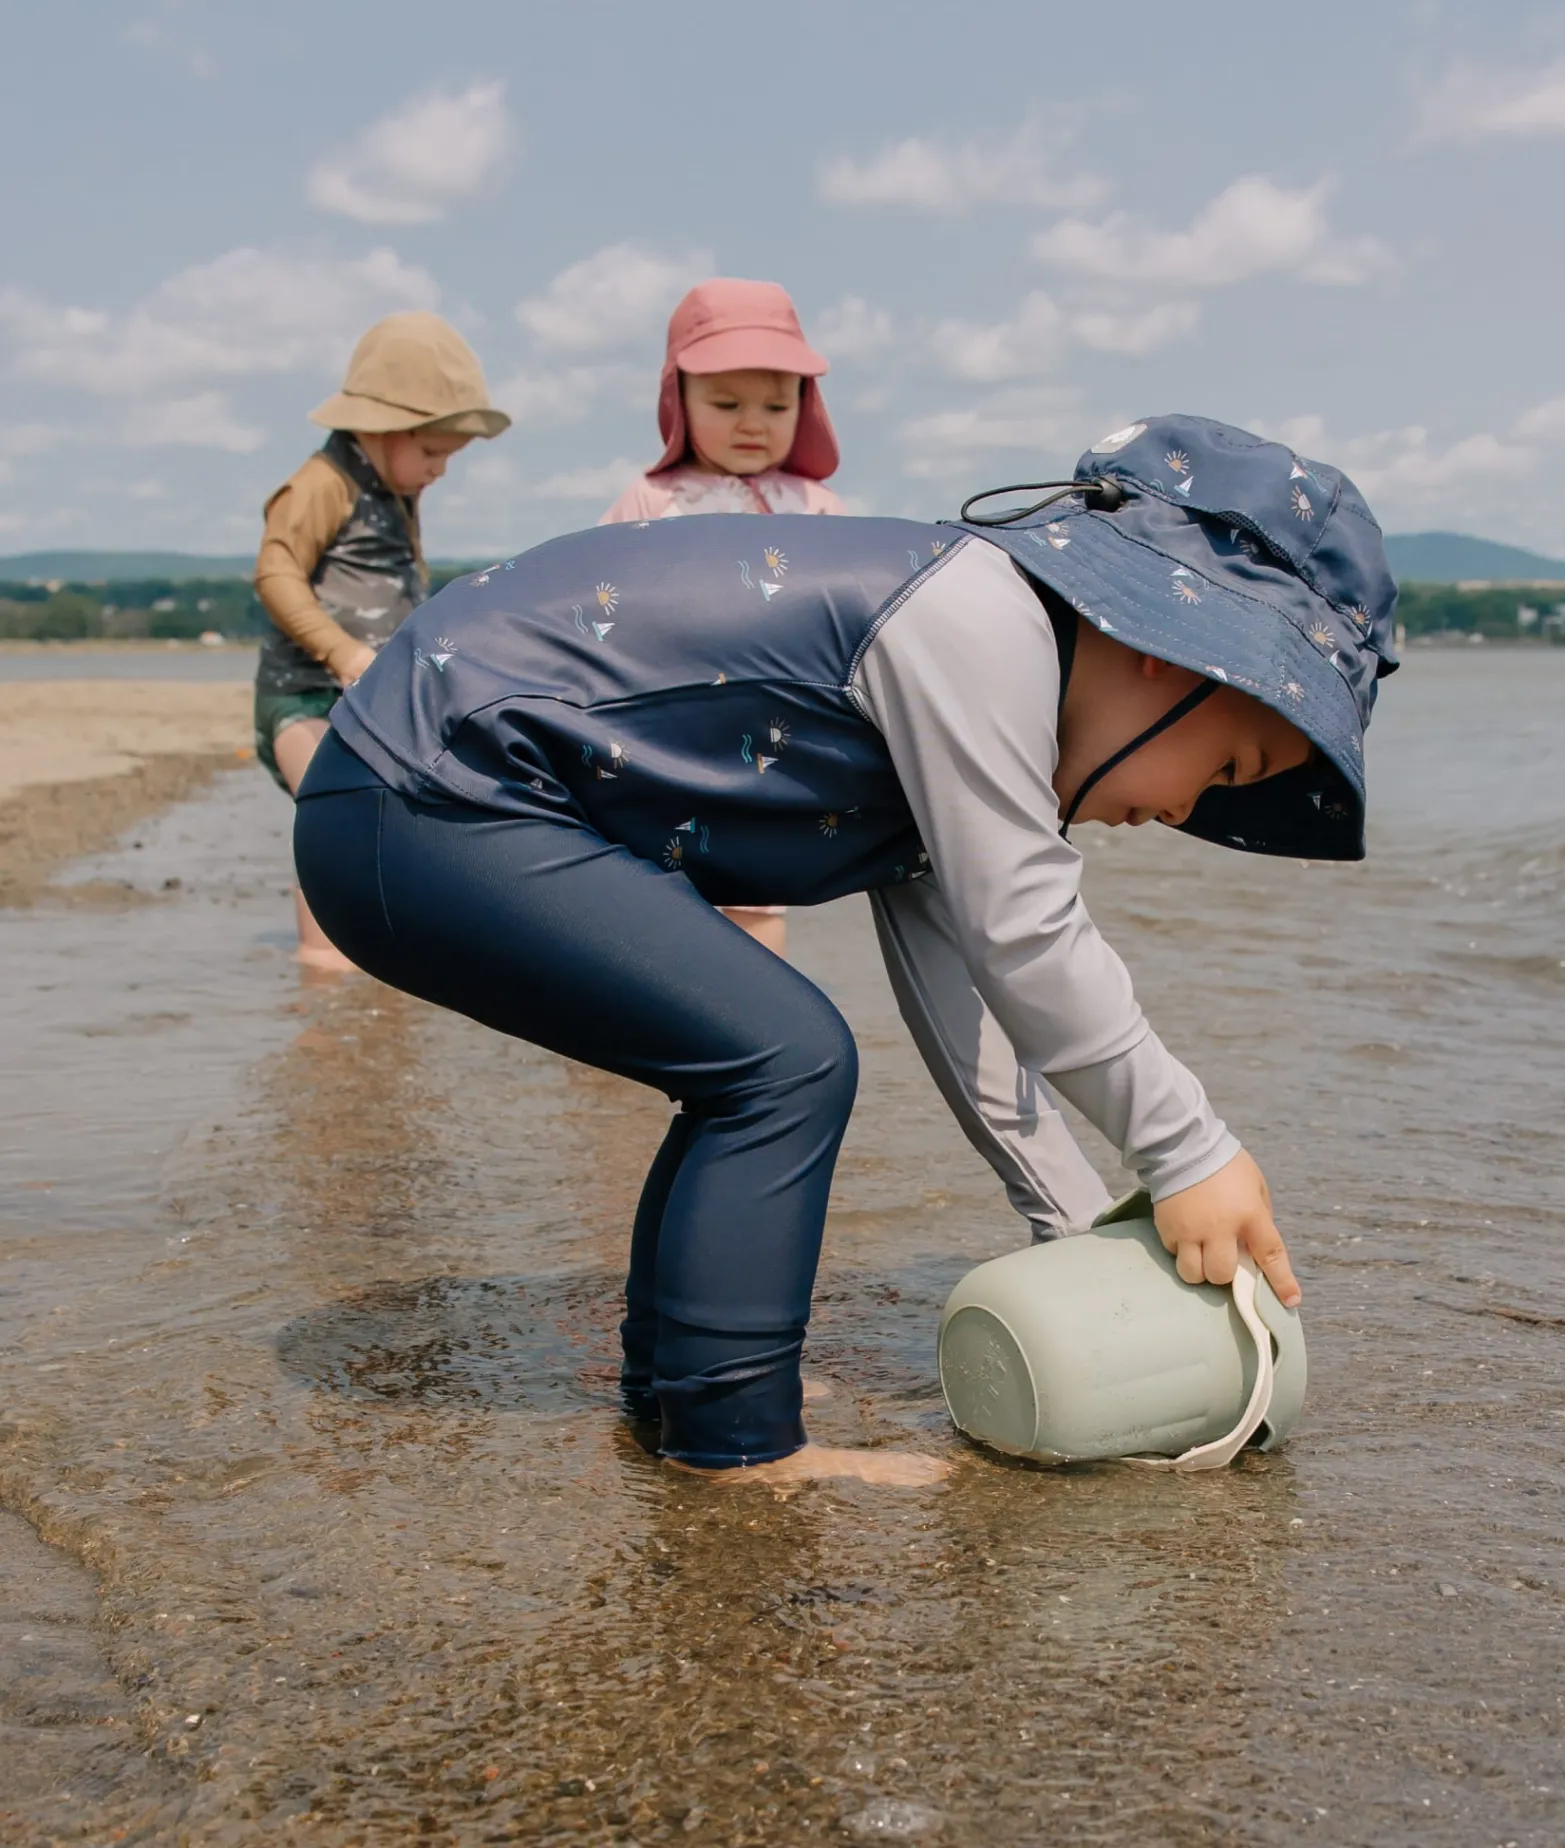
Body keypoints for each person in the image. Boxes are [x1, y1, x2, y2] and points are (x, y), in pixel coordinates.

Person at [292, 415, 1398, 1486]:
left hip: (418, 794)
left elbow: (970, 996)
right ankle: (735, 1442)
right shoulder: (981, 625)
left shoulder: (974, 685)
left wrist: (1073, 1227)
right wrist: (1190, 1152)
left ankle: (687, 1390)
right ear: (1171, 653)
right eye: (1230, 768)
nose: (1189, 811)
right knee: (784, 1059)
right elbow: (1029, 935)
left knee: (753, 1056)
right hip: (431, 789)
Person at [253, 311, 509, 970]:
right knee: (330, 813)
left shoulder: (393, 488)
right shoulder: (323, 483)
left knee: (395, 822)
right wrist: (341, 653)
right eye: (433, 453)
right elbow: (275, 572)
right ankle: (321, 965)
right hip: (304, 695)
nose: (440, 471)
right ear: (381, 429)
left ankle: (384, 956)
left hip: (372, 698)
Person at [599, 278, 847, 958]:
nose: (753, 423)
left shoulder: (819, 508)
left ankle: (759, 1018)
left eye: (777, 404)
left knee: (755, 903)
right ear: (678, 398)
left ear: (806, 404)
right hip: (660, 741)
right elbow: (593, 608)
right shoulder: (650, 501)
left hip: (771, 748)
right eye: (727, 403)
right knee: (645, 902)